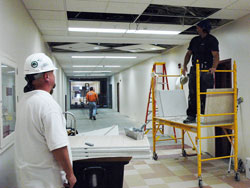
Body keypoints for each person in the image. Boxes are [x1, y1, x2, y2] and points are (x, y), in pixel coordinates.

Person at [15, 53, 76, 188]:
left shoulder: (24, 101)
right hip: (47, 180)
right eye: (53, 73)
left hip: (27, 178)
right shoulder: (48, 105)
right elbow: (58, 146)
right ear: (47, 77)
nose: (54, 77)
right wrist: (70, 174)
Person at [182, 20, 220, 123]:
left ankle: (205, 114)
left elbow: (215, 55)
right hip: (195, 70)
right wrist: (185, 65)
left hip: (206, 70)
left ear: (203, 28)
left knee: (205, 93)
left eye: (198, 27)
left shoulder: (212, 40)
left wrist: (214, 67)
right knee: (192, 93)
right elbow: (188, 54)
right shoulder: (194, 40)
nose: (197, 29)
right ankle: (191, 116)